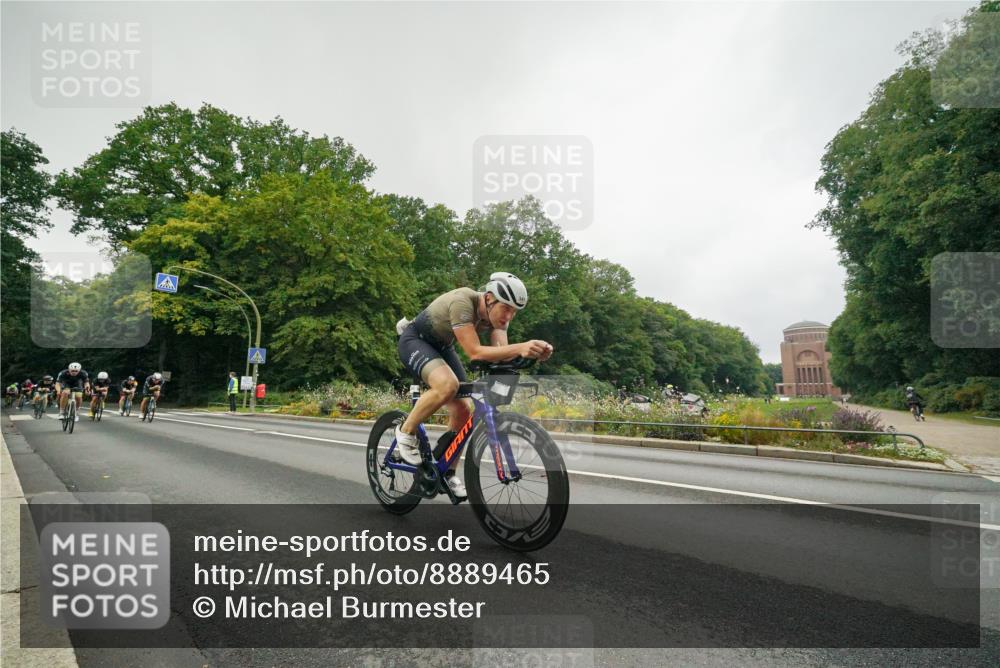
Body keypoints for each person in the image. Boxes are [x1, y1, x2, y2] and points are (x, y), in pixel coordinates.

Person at [395, 272, 552, 498]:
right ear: (489, 298)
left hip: (442, 346)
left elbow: (500, 356)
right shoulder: (463, 302)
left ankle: (447, 472)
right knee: (447, 385)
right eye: (506, 308)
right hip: (415, 340)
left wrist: (534, 354)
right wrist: (521, 347)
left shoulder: (499, 320)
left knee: (463, 409)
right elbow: (475, 352)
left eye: (514, 311)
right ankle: (405, 431)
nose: (509, 316)